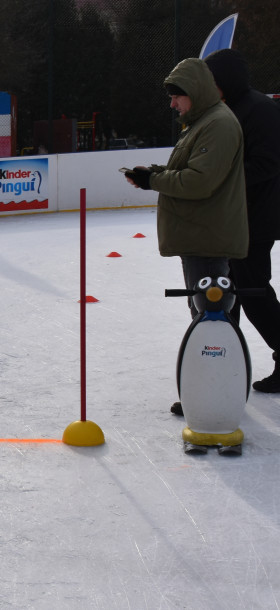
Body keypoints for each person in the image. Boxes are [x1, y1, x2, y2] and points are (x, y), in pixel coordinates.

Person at [123, 57, 247, 416]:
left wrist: (154, 181)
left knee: (211, 320)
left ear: (196, 92)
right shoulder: (201, 123)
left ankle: (212, 393)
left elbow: (200, 181)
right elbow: (187, 170)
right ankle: (214, 388)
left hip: (207, 237)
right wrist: (155, 173)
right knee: (207, 316)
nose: (172, 103)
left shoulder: (218, 124)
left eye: (177, 96)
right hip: (199, 235)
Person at [205, 49, 280, 393]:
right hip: (234, 218)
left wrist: (222, 178)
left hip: (255, 220)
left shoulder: (261, 110)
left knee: (253, 293)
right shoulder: (229, 109)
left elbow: (267, 164)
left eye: (214, 81)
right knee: (225, 293)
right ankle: (226, 365)